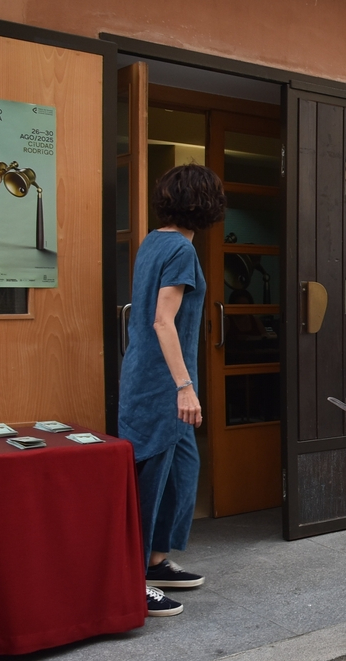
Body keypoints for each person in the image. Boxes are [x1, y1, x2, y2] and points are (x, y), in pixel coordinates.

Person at [119, 164, 226, 617]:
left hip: (151, 374)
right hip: (161, 383)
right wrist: (184, 387)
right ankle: (131, 580)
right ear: (204, 205)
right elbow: (163, 320)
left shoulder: (152, 242)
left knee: (184, 467)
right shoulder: (180, 251)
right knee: (151, 480)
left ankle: (157, 560)